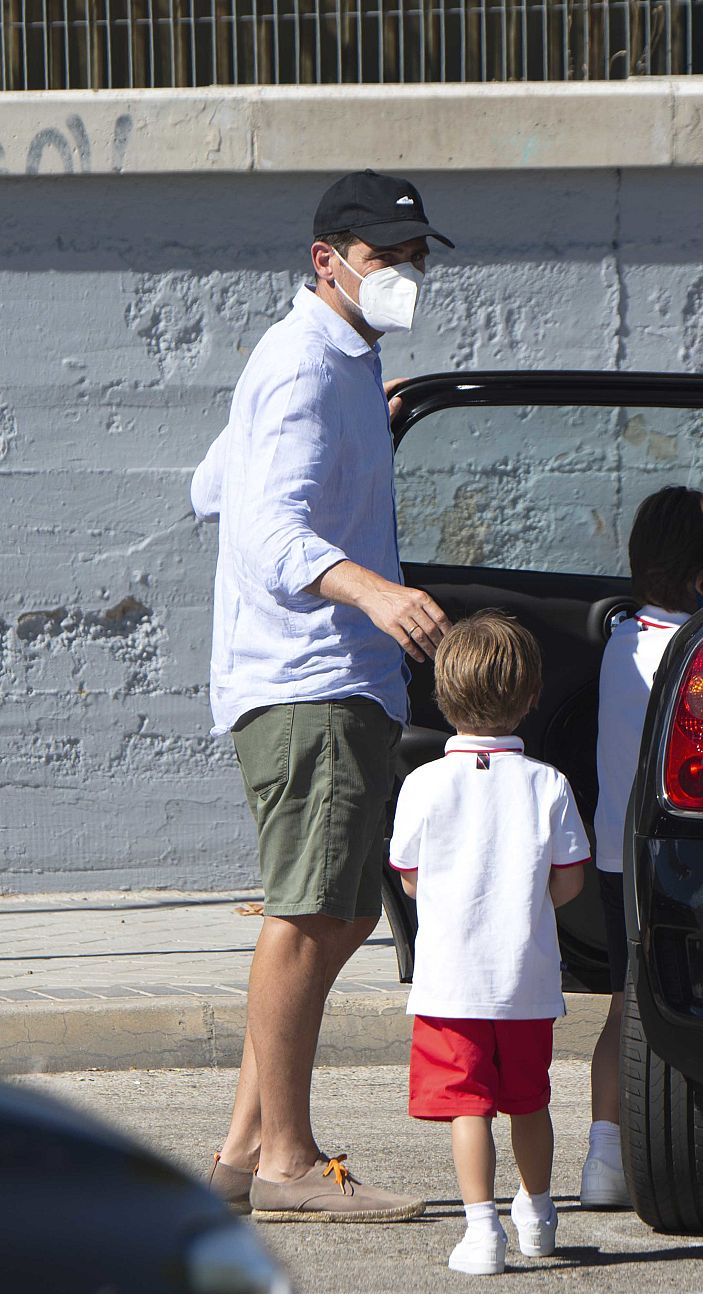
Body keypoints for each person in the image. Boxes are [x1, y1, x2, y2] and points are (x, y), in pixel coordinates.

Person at [191, 169, 455, 1222]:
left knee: (338, 913)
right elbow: (263, 535)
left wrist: (357, 433)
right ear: (329, 262)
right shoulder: (306, 366)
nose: (406, 275)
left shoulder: (329, 367)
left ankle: (242, 1151)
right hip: (311, 682)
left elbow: (214, 486)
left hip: (328, 683)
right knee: (311, 916)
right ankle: (288, 1165)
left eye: (415, 257)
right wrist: (375, 592)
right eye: (387, 258)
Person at [389, 611, 591, 1274]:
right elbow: (569, 881)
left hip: (450, 984)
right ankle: (537, 1214)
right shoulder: (549, 783)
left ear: (441, 696)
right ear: (532, 695)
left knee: (468, 1108)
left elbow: (411, 881)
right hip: (526, 982)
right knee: (530, 1101)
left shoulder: (421, 784)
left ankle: (482, 1230)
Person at [580, 486, 703, 1209]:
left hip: (619, 858)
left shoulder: (623, 641)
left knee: (627, 1005)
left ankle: (605, 1154)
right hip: (680, 858)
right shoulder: (696, 657)